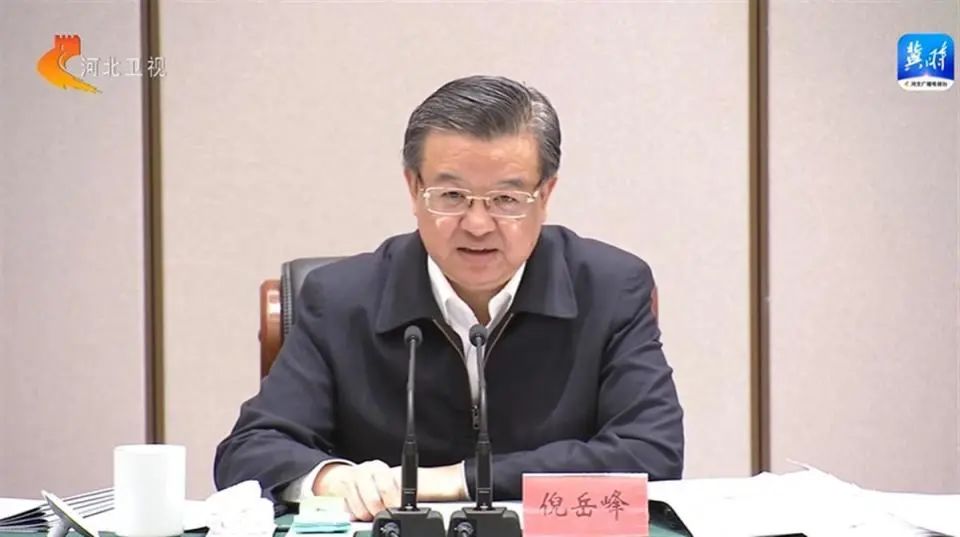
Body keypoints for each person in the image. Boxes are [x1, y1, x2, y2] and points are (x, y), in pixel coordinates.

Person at [214, 75, 684, 521]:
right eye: (452, 195)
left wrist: (454, 480)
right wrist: (332, 479)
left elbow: (651, 453)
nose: (477, 225)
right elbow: (249, 451)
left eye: (506, 199)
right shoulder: (339, 299)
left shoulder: (608, 288)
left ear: (545, 196)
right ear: (414, 189)